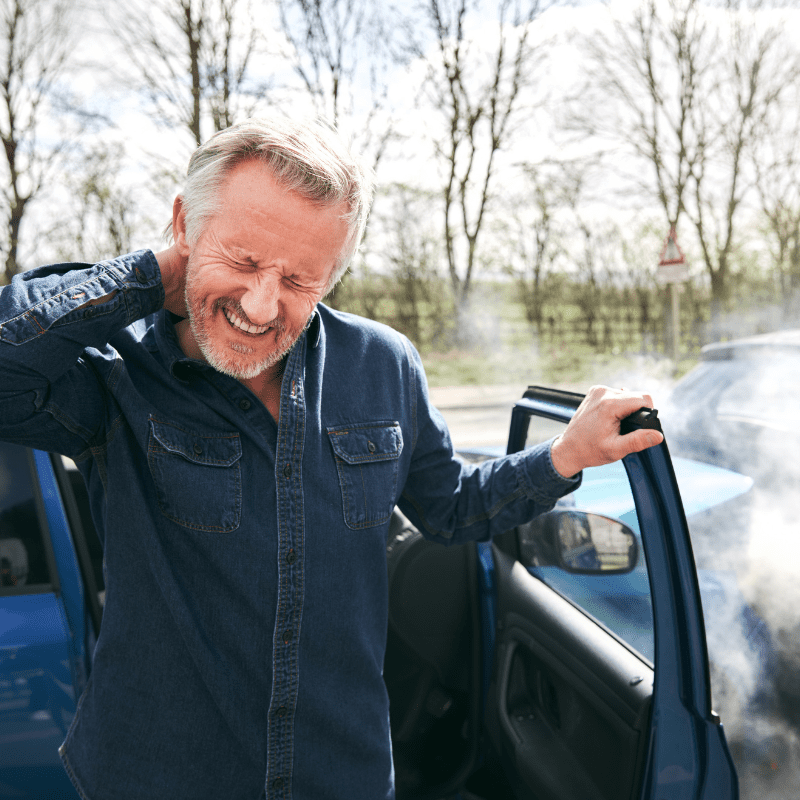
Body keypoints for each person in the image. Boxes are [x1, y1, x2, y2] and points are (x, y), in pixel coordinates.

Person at [0, 116, 662, 800]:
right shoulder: (117, 371)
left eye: (298, 279)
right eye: (245, 259)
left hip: (341, 776)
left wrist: (565, 454)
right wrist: (155, 275)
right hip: (162, 778)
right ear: (183, 224)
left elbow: (450, 508)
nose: (261, 305)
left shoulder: (383, 363)